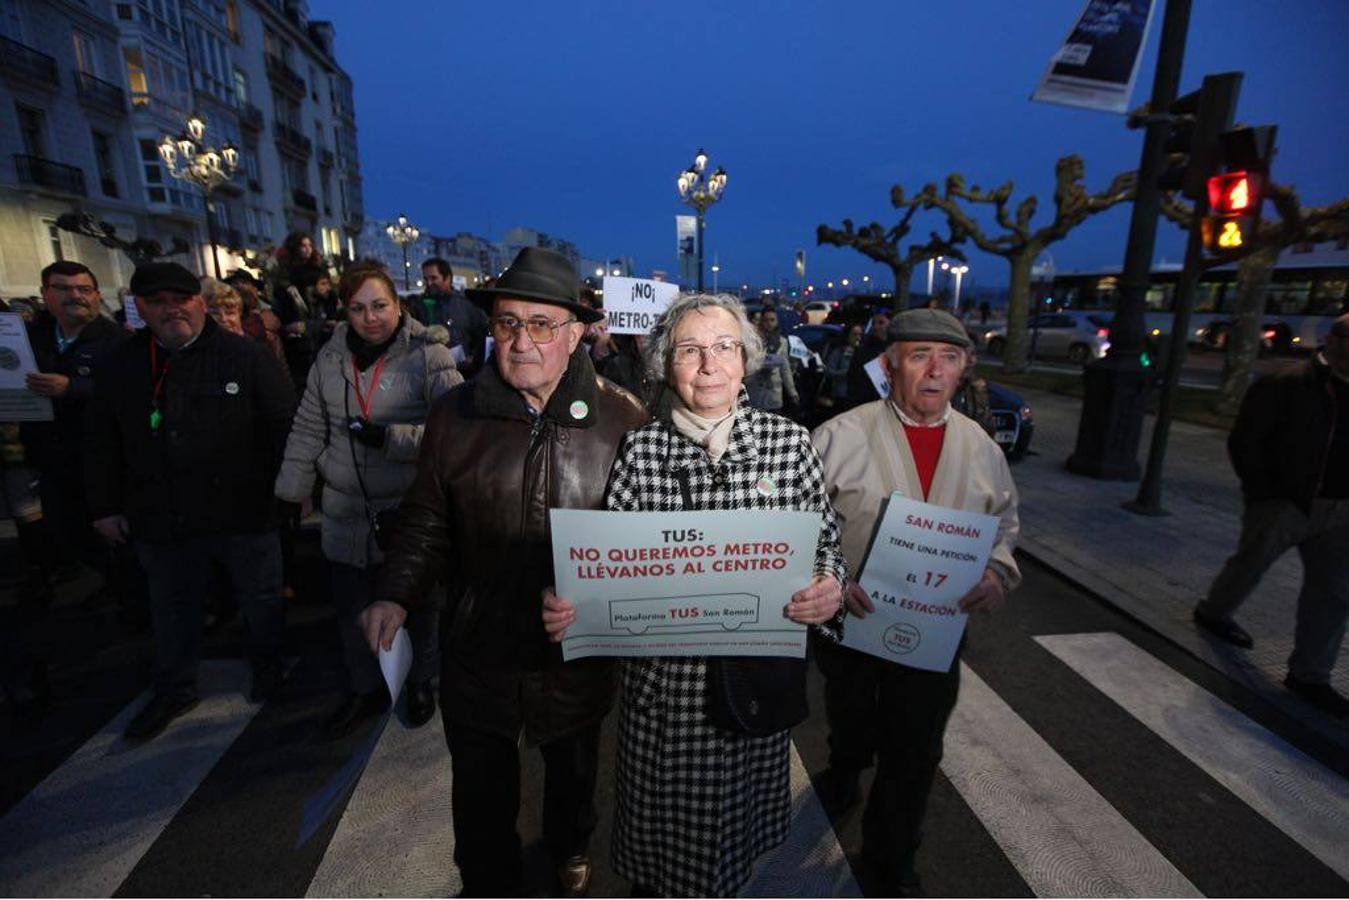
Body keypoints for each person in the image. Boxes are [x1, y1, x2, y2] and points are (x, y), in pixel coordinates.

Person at [359, 248, 647, 896]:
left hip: (574, 659)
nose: (521, 340)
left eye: (541, 324)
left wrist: (604, 606)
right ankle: (486, 881)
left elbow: (644, 546)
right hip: (478, 648)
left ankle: (570, 845)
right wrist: (395, 596)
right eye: (509, 323)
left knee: (573, 775)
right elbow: (426, 520)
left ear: (576, 334)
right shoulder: (453, 417)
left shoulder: (623, 419)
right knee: (481, 797)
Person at [542, 293, 847, 897]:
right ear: (665, 365)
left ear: (746, 359)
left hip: (750, 695)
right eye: (690, 350)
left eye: (724, 347)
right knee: (664, 872)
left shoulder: (790, 444)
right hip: (664, 703)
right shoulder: (641, 451)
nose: (709, 364)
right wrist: (572, 604)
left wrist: (829, 588)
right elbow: (607, 570)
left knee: (735, 860)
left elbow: (825, 546)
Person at [810, 308, 1021, 893]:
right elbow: (800, 522)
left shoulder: (980, 448)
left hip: (935, 631)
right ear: (889, 364)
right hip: (850, 621)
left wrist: (998, 575)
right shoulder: (838, 436)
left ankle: (890, 854)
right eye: (919, 355)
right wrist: (827, 575)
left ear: (963, 369)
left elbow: (1004, 521)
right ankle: (846, 765)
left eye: (949, 358)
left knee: (917, 747)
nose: (934, 371)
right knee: (850, 713)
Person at [85, 262, 296, 742]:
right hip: (162, 513)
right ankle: (175, 686)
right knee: (172, 606)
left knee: (261, 598)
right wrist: (104, 505)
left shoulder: (246, 356)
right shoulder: (122, 364)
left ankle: (268, 666)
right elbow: (100, 441)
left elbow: (284, 424)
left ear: (200, 301)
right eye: (157, 302)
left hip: (243, 507)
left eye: (180, 298)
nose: (170, 309)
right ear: (140, 308)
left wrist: (292, 490)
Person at [275, 262, 461, 736]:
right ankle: (363, 688)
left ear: (398, 305)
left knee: (418, 606)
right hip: (345, 510)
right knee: (352, 609)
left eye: (380, 305)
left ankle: (421, 681)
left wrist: (390, 438)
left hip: (407, 510)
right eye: (358, 308)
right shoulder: (329, 358)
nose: (370, 317)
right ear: (345, 312)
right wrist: (291, 491)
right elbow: (309, 426)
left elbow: (456, 433)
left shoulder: (428, 355)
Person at [1193, 313, 1349, 718]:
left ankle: (1311, 675)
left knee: (1334, 592)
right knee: (1251, 562)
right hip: (1287, 500)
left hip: (1341, 506)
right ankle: (1215, 611)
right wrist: (1263, 492)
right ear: (1335, 340)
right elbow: (1247, 439)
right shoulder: (1290, 382)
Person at [21, 261, 129, 603]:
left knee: (112, 530)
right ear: (46, 294)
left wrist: (74, 388)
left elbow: (131, 392)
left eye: (84, 289)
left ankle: (128, 592)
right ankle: (111, 582)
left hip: (102, 456)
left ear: (97, 296)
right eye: (64, 289)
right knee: (66, 528)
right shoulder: (29, 338)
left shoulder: (117, 341)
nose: (75, 297)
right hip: (51, 454)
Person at [415, 257, 490, 376]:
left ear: (448, 278)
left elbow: (484, 333)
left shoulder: (467, 304)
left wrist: (474, 357)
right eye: (426, 279)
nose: (429, 283)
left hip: (464, 374)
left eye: (434, 278)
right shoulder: (419, 306)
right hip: (431, 374)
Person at [272, 232, 327, 390]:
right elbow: (281, 305)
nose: (307, 249)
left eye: (310, 245)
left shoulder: (316, 272)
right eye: (303, 246)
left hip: (315, 331)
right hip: (297, 337)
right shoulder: (285, 276)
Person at [744, 306, 798, 414]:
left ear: (777, 321)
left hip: (774, 394)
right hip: (756, 392)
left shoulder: (782, 342)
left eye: (772, 320)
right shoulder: (752, 342)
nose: (769, 323)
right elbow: (746, 365)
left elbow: (785, 369)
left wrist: (792, 392)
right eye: (766, 320)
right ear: (761, 322)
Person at [845, 307, 893, 407]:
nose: (876, 327)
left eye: (881, 323)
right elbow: (853, 379)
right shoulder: (863, 350)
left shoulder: (896, 350)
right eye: (874, 323)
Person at [823, 323, 864, 408]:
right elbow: (829, 371)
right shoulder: (839, 352)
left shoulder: (862, 352)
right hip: (841, 395)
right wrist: (846, 373)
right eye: (854, 334)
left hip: (857, 396)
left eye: (860, 334)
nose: (857, 337)